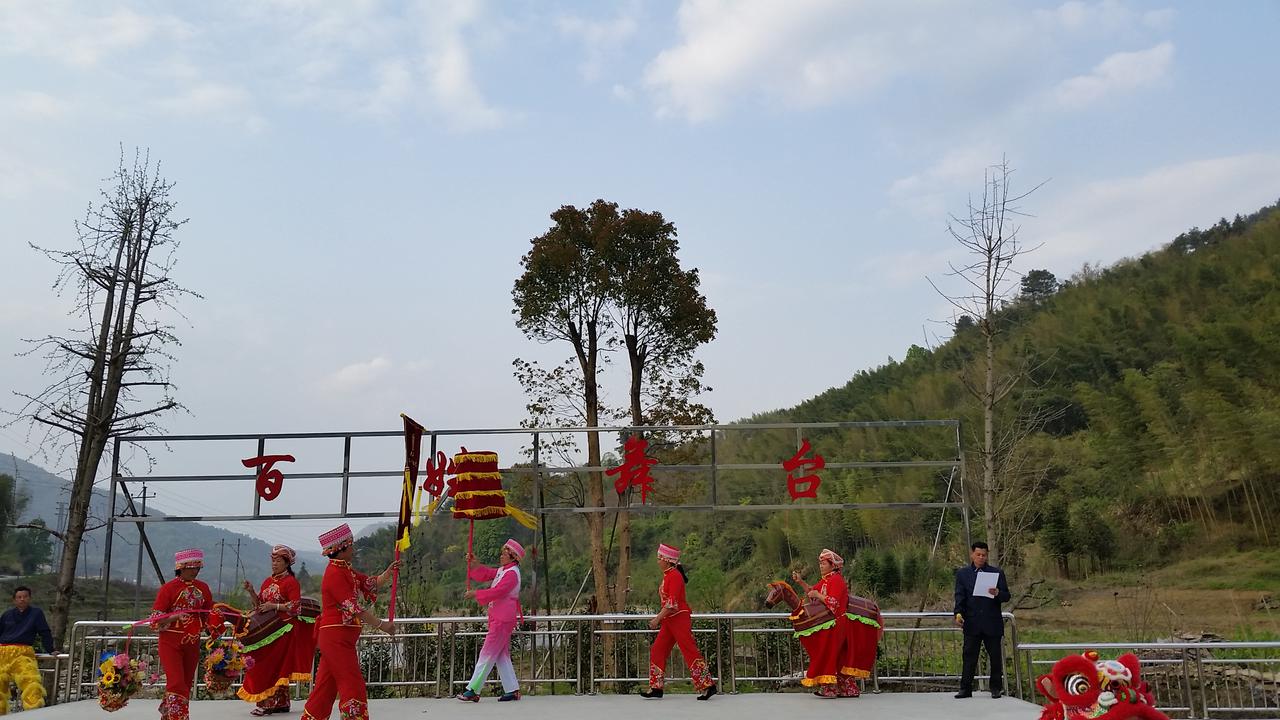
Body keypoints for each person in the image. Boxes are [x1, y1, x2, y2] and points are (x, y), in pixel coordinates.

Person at [300, 524, 398, 720]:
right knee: (351, 682)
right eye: (351, 546)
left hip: (339, 638)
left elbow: (368, 583)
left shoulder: (347, 571)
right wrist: (382, 625)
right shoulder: (335, 574)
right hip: (336, 639)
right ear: (341, 549)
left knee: (325, 688)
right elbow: (354, 608)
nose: (353, 549)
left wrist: (387, 574)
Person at [237, 545, 315, 715]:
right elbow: (259, 606)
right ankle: (281, 702)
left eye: (278, 561)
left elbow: (296, 607)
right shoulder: (267, 581)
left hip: (283, 630)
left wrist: (274, 605)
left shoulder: (291, 582)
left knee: (272, 665)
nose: (274, 564)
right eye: (273, 561)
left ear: (287, 563)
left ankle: (268, 704)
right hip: (268, 629)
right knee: (272, 666)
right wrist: (251, 591)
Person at [150, 549, 224, 720]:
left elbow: (207, 612)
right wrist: (176, 616)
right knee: (176, 682)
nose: (195, 571)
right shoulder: (168, 589)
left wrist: (216, 617)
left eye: (198, 568)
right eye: (191, 567)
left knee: (185, 683)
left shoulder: (203, 588)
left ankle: (169, 715)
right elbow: (155, 619)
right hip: (170, 642)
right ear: (181, 568)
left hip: (192, 642)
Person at [639, 543, 717, 701]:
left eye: (659, 558)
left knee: (689, 650)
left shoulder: (674, 576)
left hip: (678, 618)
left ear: (667, 560)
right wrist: (662, 618)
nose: (657, 561)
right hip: (670, 620)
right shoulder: (669, 575)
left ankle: (708, 685)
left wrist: (657, 619)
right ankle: (656, 687)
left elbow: (672, 603)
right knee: (657, 650)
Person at [456, 539, 526, 703]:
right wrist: (474, 564)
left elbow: (498, 591)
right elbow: (486, 574)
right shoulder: (505, 570)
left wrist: (476, 594)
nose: (501, 556)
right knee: (501, 655)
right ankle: (512, 690)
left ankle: (473, 689)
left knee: (487, 653)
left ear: (512, 557)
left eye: (504, 554)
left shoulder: (512, 573)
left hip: (502, 618)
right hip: (500, 617)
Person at [791, 548, 859, 698]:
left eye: (823, 563)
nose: (821, 565)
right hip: (830, 623)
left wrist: (818, 595)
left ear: (832, 565)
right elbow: (812, 592)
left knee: (829, 654)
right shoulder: (827, 580)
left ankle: (831, 688)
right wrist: (801, 582)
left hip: (838, 623)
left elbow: (833, 602)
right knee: (833, 655)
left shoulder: (836, 580)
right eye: (820, 563)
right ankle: (840, 688)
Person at [953, 541, 1011, 699]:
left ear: (987, 556)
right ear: (972, 554)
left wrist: (998, 592)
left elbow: (1006, 596)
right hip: (972, 622)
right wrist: (958, 613)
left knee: (995, 657)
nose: (981, 558)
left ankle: (995, 688)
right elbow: (960, 596)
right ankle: (965, 688)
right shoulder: (963, 574)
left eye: (984, 555)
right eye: (978, 555)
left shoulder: (996, 573)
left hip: (991, 622)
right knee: (969, 656)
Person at [0, 586, 57, 714]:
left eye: (25, 597)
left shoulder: (36, 613)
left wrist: (50, 649)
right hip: (2, 651)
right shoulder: (7, 615)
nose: (22, 599)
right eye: (19, 597)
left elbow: (44, 632)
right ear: (14, 600)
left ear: (29, 598)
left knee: (31, 683)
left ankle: (33, 714)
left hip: (22, 652)